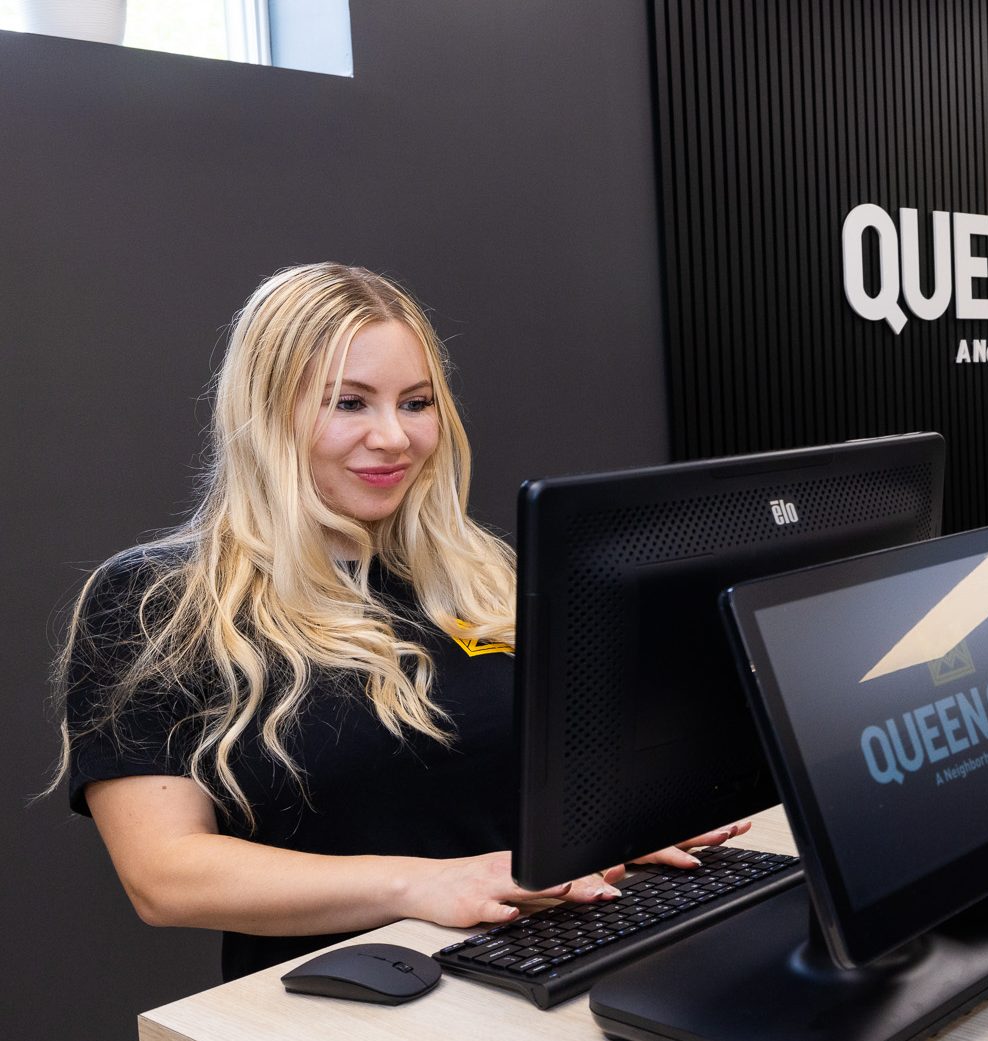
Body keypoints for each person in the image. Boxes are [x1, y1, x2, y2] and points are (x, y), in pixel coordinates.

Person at [47, 263, 747, 980]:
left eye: (415, 403)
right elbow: (163, 876)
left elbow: (523, 795)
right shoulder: (157, 603)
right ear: (263, 413)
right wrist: (423, 883)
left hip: (548, 960)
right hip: (353, 998)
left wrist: (623, 826)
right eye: (349, 403)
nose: (394, 437)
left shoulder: (480, 573)